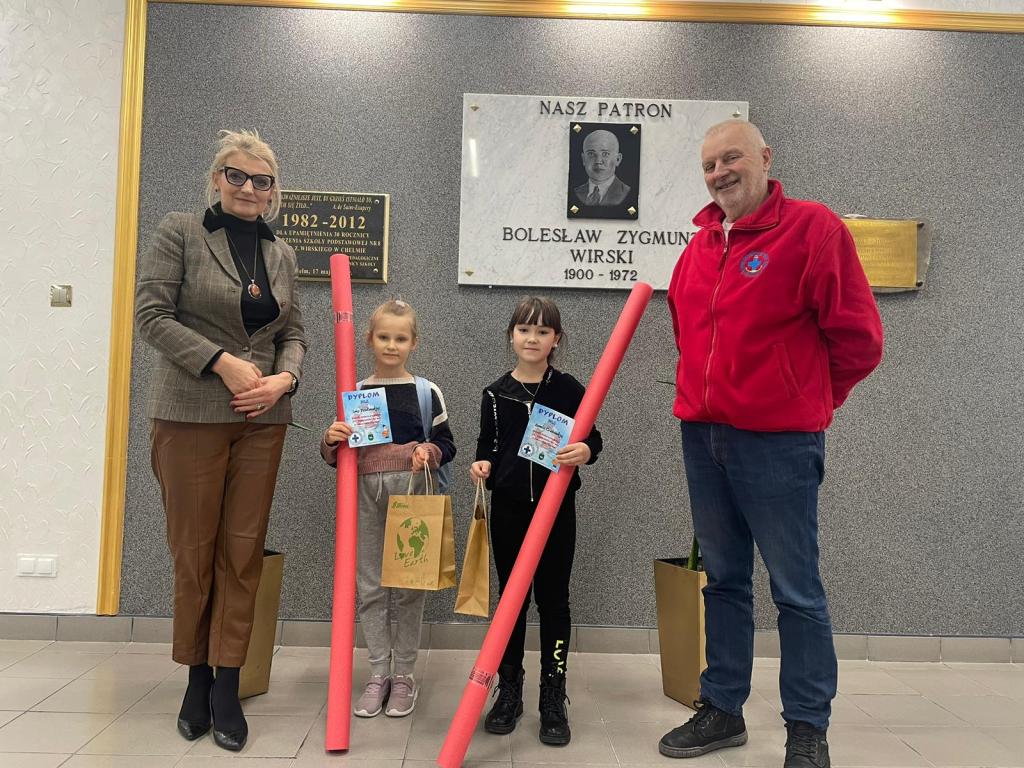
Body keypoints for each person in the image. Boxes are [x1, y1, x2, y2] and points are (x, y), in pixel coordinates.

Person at [660, 120, 883, 768]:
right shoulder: (698, 246)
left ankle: (807, 729)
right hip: (703, 438)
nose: (719, 172)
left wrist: (806, 401)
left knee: (796, 590)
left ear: (764, 157)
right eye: (709, 165)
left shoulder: (813, 230)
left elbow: (860, 340)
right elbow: (687, 335)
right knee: (724, 580)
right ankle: (722, 708)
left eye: (731, 158)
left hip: (779, 445)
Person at [135, 129, 306, 752]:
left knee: (242, 550)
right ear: (217, 178)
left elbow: (293, 333)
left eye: (262, 181)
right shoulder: (180, 232)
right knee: (195, 550)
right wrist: (222, 362)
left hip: (263, 421)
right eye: (237, 176)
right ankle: (196, 678)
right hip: (190, 414)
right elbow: (152, 316)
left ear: (273, 190)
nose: (249, 189)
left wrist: (285, 379)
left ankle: (229, 680)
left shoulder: (281, 253)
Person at [471, 296, 603, 747]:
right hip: (509, 510)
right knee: (511, 601)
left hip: (556, 512)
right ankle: (509, 689)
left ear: (556, 340)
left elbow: (593, 438)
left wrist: (586, 450)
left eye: (543, 331)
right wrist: (482, 465)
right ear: (511, 336)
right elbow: (486, 445)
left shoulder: (569, 390)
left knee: (553, 601)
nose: (533, 338)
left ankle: (553, 693)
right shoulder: (494, 393)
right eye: (524, 330)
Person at [320, 299, 455, 718]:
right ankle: (378, 673)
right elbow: (339, 453)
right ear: (369, 340)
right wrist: (330, 439)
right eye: (383, 337)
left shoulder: (426, 392)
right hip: (365, 496)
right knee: (371, 587)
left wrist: (429, 451)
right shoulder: (357, 392)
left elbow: (448, 444)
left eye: (400, 338)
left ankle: (405, 675)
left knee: (410, 587)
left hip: (414, 493)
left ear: (414, 342)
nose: (391, 345)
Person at [574, 129, 631, 206]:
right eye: (591, 154)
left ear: (618, 159)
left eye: (605, 154)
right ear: (584, 159)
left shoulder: (627, 193)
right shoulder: (576, 193)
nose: (598, 161)